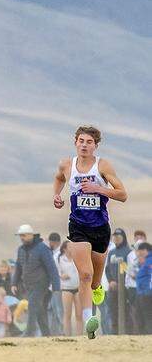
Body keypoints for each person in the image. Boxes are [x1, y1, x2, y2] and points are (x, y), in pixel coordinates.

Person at [52, 124, 127, 339]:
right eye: (81, 141)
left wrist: (98, 189)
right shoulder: (67, 164)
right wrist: (57, 195)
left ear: (95, 146)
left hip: (100, 228)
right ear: (75, 142)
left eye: (89, 142)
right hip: (78, 227)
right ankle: (88, 321)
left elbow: (122, 194)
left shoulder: (102, 166)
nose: (84, 145)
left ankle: (96, 289)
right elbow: (59, 178)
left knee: (94, 280)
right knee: (84, 274)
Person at [13, 224, 60, 337]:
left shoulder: (42, 248)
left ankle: (29, 332)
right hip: (28, 285)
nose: (22, 238)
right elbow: (18, 267)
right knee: (39, 309)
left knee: (33, 305)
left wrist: (56, 286)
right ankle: (46, 334)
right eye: (20, 236)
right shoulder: (21, 250)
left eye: (24, 235)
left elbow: (51, 267)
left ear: (31, 235)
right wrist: (14, 283)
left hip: (41, 284)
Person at [58, 240, 82, 336]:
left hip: (78, 287)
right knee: (67, 313)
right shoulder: (60, 259)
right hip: (66, 287)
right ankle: (67, 335)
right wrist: (61, 275)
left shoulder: (78, 258)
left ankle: (79, 335)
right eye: (70, 247)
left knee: (79, 314)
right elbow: (56, 271)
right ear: (64, 249)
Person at [135, 242, 152, 334]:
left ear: (146, 250)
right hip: (142, 292)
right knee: (141, 315)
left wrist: (147, 291)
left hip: (147, 293)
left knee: (147, 315)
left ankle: (149, 334)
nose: (139, 253)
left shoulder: (149, 260)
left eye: (141, 251)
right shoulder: (145, 260)